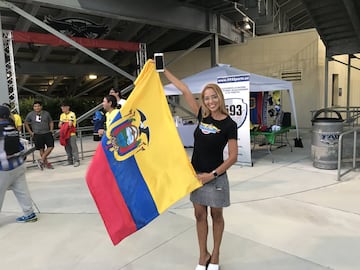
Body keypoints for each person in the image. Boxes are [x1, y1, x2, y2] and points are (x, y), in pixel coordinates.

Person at [164, 68, 238, 270]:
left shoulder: (230, 124)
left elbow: (233, 156)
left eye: (214, 97)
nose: (210, 101)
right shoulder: (202, 116)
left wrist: (212, 175)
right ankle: (202, 254)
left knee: (216, 216)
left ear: (220, 98)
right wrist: (163, 69)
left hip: (215, 177)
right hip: (196, 176)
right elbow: (184, 89)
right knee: (199, 215)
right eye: (206, 98)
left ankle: (215, 256)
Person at [0, 105, 38, 223]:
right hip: (19, 165)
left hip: (4, 167)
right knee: (22, 190)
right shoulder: (13, 128)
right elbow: (20, 146)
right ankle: (29, 213)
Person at [24, 101, 55, 170]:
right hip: (37, 134)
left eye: (38, 106)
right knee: (41, 149)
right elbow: (26, 123)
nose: (37, 107)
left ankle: (41, 160)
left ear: (41, 106)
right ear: (33, 107)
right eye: (35, 106)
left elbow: (51, 121)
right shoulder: (30, 114)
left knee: (51, 146)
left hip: (47, 133)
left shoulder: (46, 113)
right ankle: (46, 163)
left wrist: (51, 129)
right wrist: (30, 132)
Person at [58, 102, 80, 167]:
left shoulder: (72, 114)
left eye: (64, 107)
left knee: (73, 147)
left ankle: (76, 161)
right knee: (67, 147)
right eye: (62, 107)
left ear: (68, 107)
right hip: (65, 134)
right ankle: (69, 160)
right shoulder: (62, 115)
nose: (62, 108)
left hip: (71, 133)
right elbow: (59, 125)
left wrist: (64, 124)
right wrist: (66, 124)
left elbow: (70, 124)